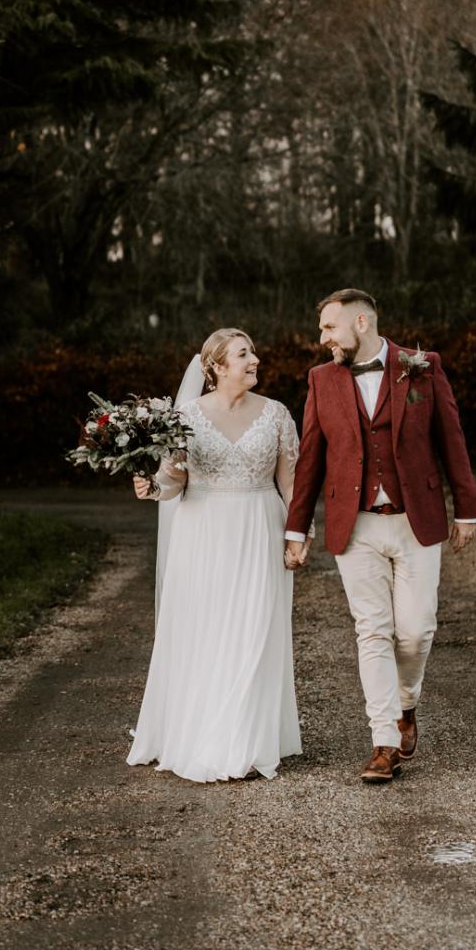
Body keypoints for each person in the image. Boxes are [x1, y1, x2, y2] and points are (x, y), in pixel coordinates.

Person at [285, 289, 476, 784]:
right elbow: (310, 459)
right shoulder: (321, 380)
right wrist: (297, 526)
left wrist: (467, 510)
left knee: (416, 629)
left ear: (362, 322)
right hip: (357, 525)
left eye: (330, 327)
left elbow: (450, 439)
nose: (322, 338)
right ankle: (384, 742)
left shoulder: (422, 367)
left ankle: (406, 704)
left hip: (417, 518)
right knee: (372, 630)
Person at [128, 328, 304, 783]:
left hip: (259, 530)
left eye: (253, 353)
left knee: (254, 629)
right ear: (218, 367)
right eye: (244, 354)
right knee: (204, 630)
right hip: (201, 533)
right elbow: (174, 481)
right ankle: (203, 734)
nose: (255, 361)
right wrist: (151, 488)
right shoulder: (186, 416)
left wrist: (298, 534)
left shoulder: (277, 415)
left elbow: (292, 485)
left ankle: (246, 740)